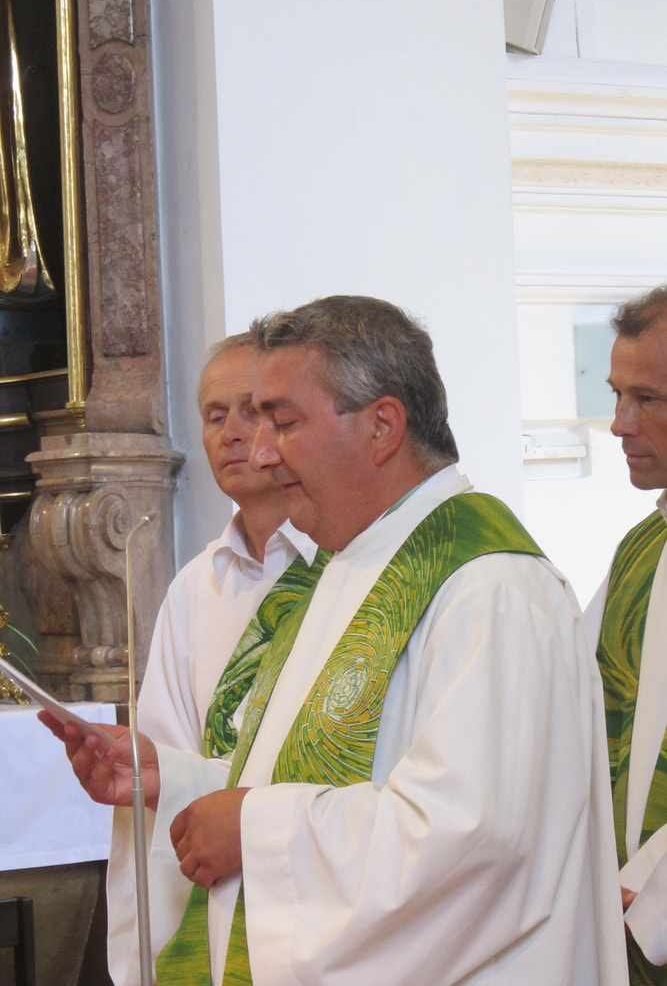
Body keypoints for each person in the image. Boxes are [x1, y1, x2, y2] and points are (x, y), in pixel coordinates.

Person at [45, 296, 627, 986]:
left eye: (283, 422)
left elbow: (478, 841)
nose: (262, 453)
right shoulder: (344, 566)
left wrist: (255, 831)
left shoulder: (491, 588)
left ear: (382, 426)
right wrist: (172, 781)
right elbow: (316, 777)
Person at [44, 332, 317, 985]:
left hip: (302, 892)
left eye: (252, 411)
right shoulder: (197, 586)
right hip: (204, 882)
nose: (232, 433)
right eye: (214, 415)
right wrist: (139, 770)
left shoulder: (339, 569)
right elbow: (166, 749)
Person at [586, 285, 667, 986]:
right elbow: (573, 715)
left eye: (647, 399)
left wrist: (653, 894)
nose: (618, 424)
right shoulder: (639, 550)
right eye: (617, 395)